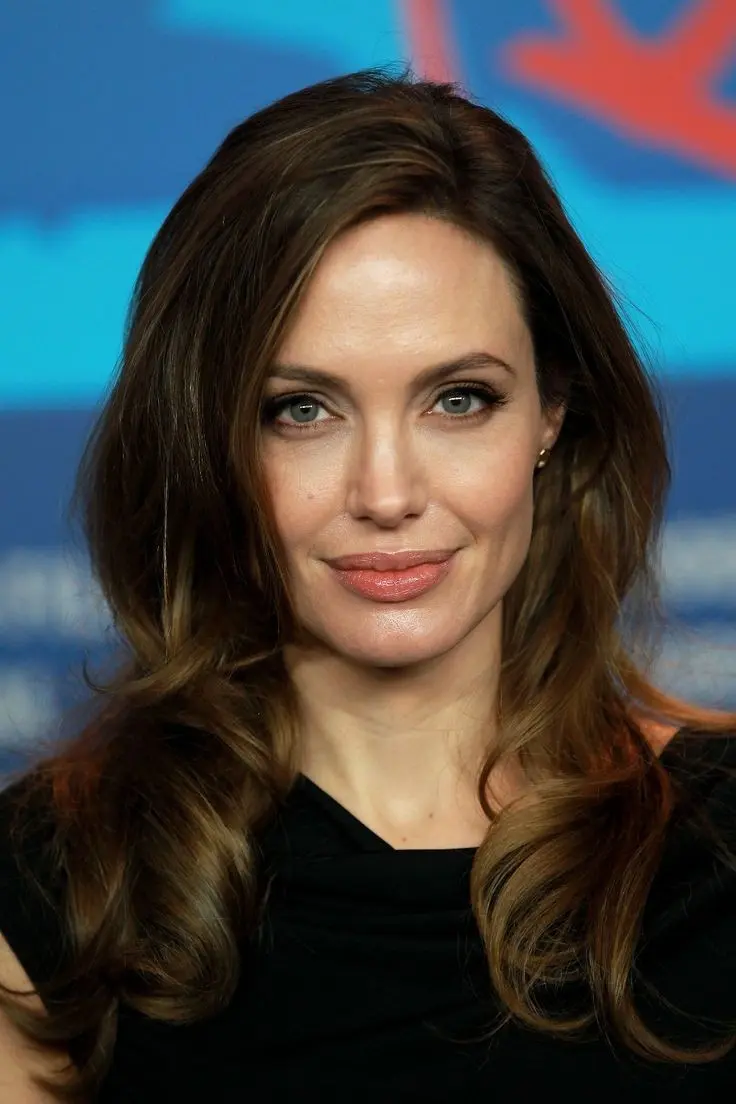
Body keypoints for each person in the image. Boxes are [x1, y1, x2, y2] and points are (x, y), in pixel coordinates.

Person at [1, 68, 735, 1103]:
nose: (386, 494)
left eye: (459, 399)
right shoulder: (51, 894)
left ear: (552, 413)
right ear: (205, 440)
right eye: (301, 410)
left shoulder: (722, 853)